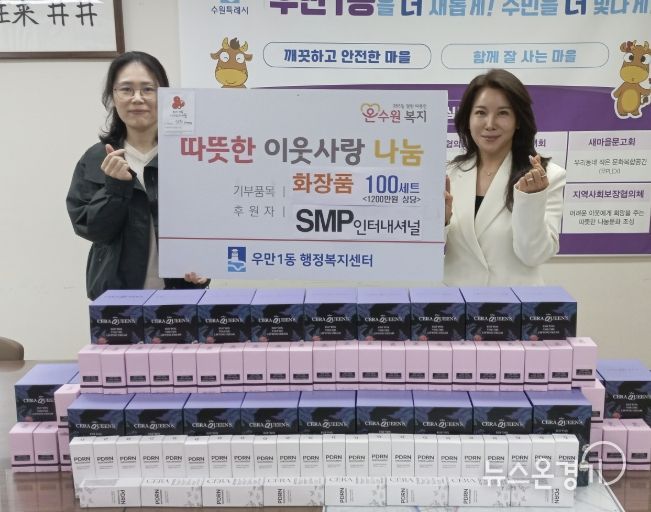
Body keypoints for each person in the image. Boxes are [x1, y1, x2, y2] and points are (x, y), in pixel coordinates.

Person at [66, 51, 209, 300]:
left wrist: (206, 265)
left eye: (148, 89)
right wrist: (114, 188)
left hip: (181, 294)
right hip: (116, 298)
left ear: (165, 96)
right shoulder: (97, 158)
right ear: (112, 96)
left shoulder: (188, 154)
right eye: (126, 89)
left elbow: (210, 221)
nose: (137, 98)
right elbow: (91, 229)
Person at [443, 69, 566, 286]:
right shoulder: (448, 174)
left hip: (515, 303)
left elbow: (534, 255)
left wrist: (531, 201)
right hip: (456, 302)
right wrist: (441, 221)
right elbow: (425, 254)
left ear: (518, 120)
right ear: (468, 119)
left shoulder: (548, 176)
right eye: (480, 112)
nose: (490, 123)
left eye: (503, 113)